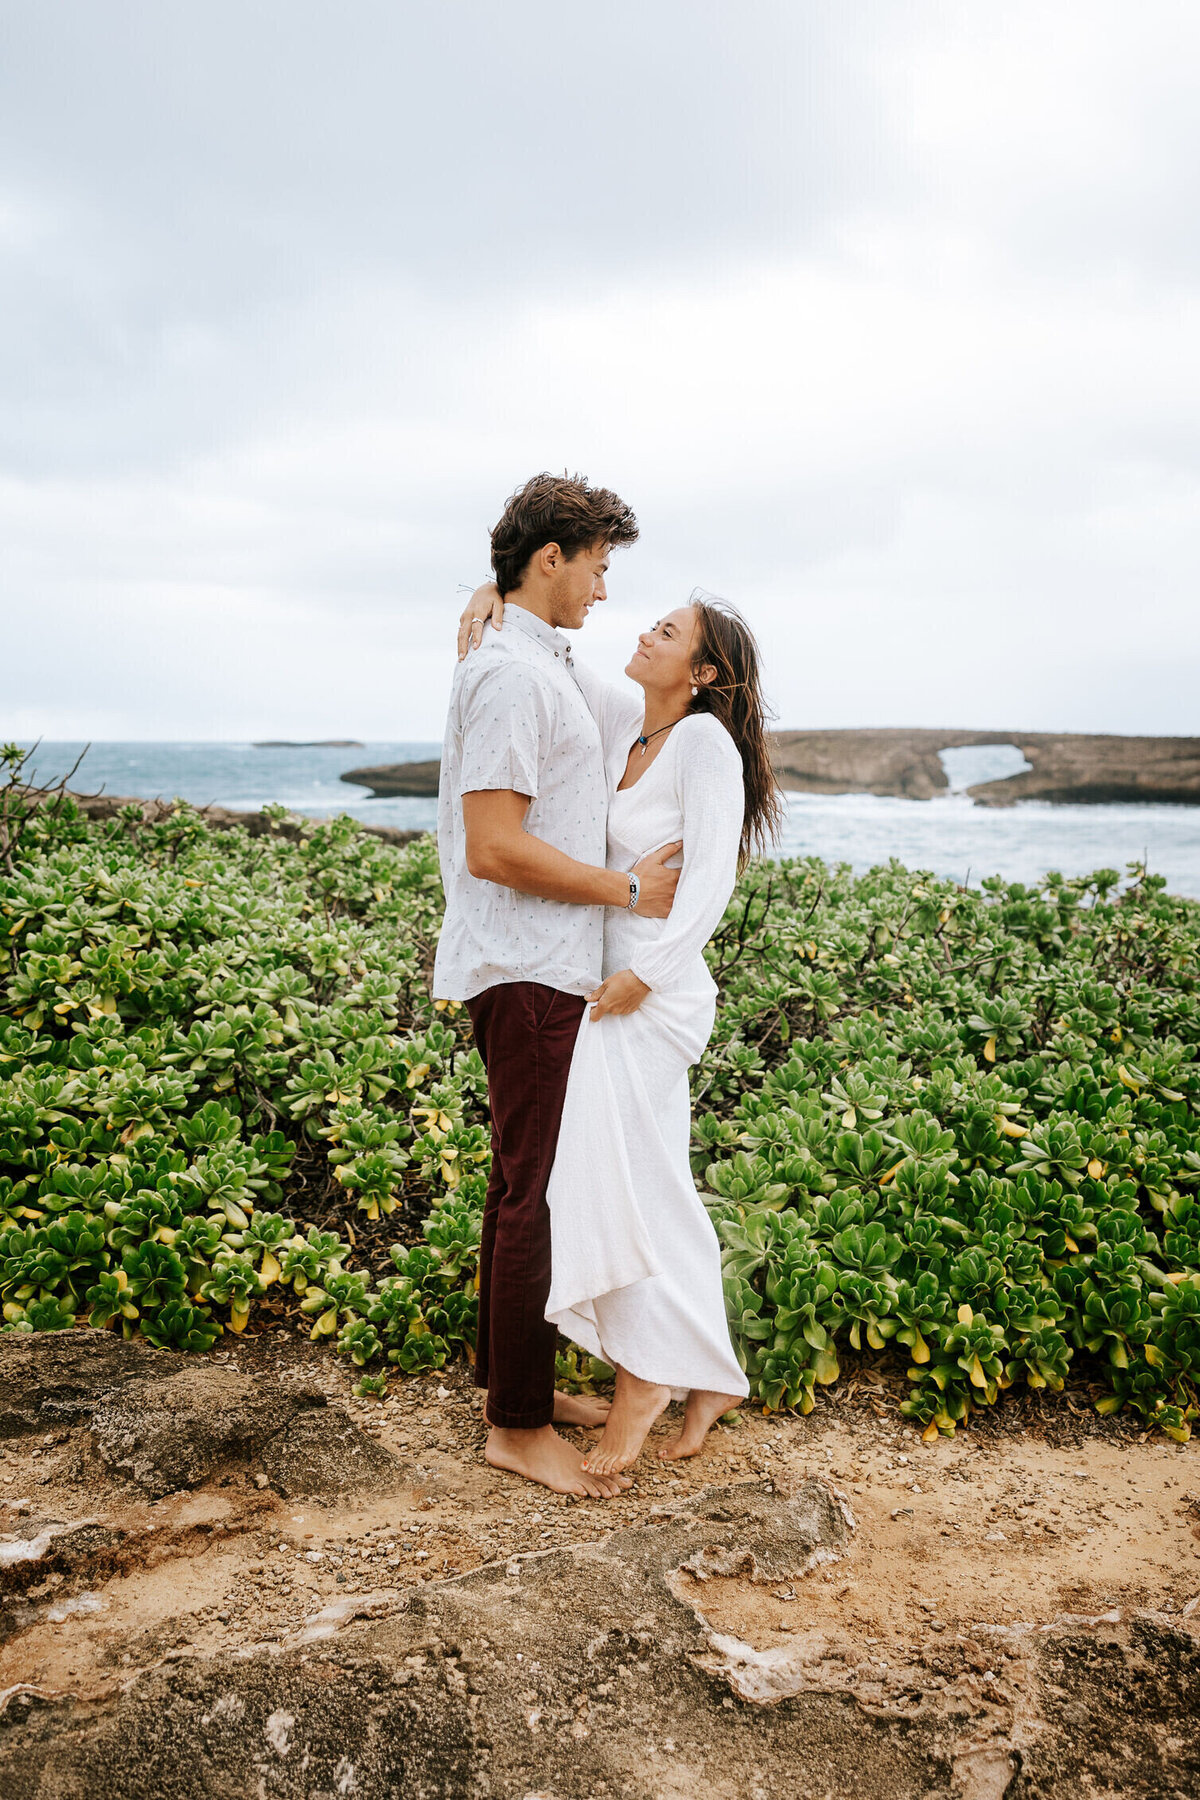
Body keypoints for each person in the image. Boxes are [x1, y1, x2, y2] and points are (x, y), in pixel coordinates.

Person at [459, 581, 783, 1474]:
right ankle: (704, 1371)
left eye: (668, 632)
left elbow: (713, 876)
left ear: (704, 670)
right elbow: (547, 672)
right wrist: (504, 595)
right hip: (609, 983)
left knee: (628, 1181)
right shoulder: (628, 727)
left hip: (650, 990)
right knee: (640, 1179)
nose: (643, 632)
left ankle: (649, 1379)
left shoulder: (704, 742)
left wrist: (649, 972)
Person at [433, 471, 685, 1500]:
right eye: (597, 565)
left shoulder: (533, 661)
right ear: (552, 560)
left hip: (542, 966)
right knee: (533, 1192)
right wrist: (625, 886)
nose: (604, 589)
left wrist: (481, 603)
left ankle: (511, 1381)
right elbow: (494, 845)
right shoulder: (510, 676)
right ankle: (515, 1426)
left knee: (518, 1184)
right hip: (529, 967)